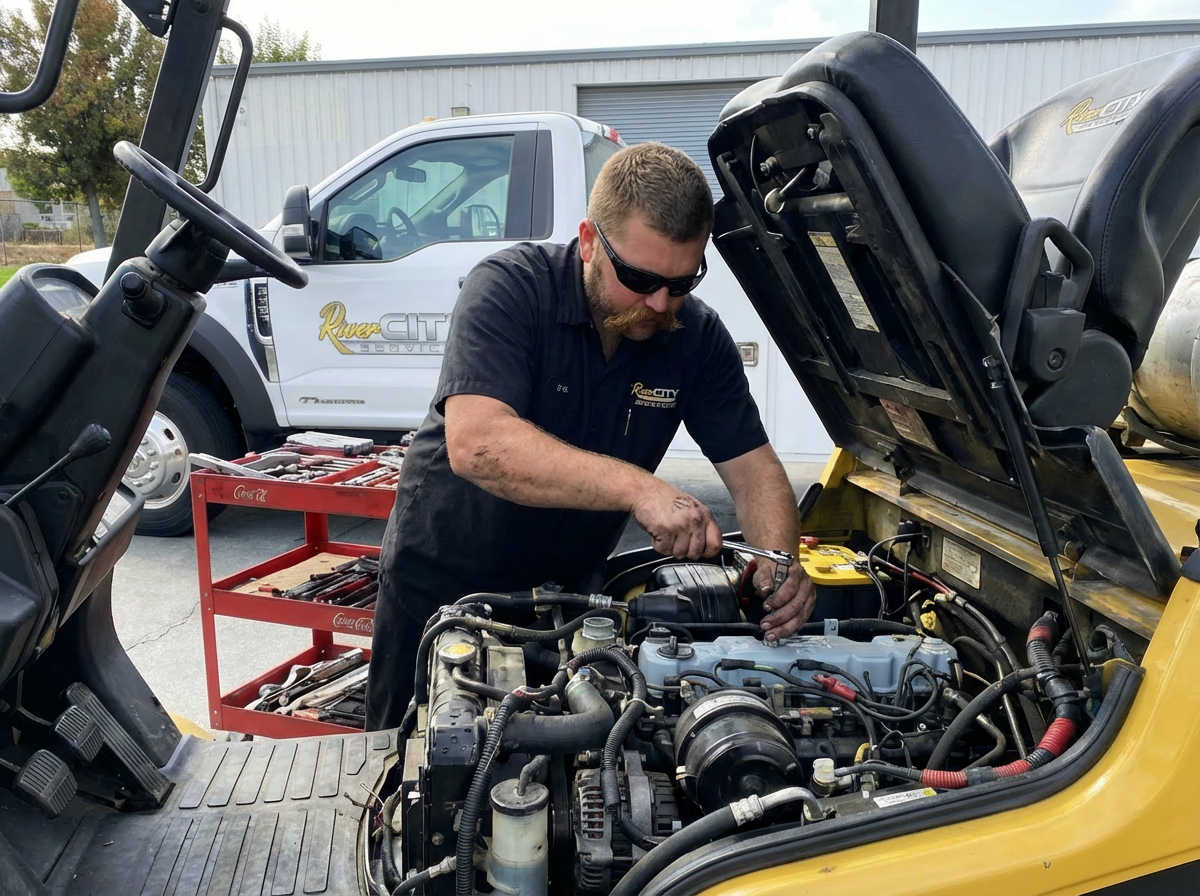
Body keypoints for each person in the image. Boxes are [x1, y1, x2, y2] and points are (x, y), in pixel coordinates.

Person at [365, 142, 815, 730]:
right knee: (415, 775)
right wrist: (641, 490)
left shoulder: (695, 338)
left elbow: (753, 470)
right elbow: (478, 445)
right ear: (587, 240)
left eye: (682, 282)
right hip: (446, 594)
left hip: (571, 601)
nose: (659, 302)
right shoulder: (509, 288)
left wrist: (780, 563)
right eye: (639, 277)